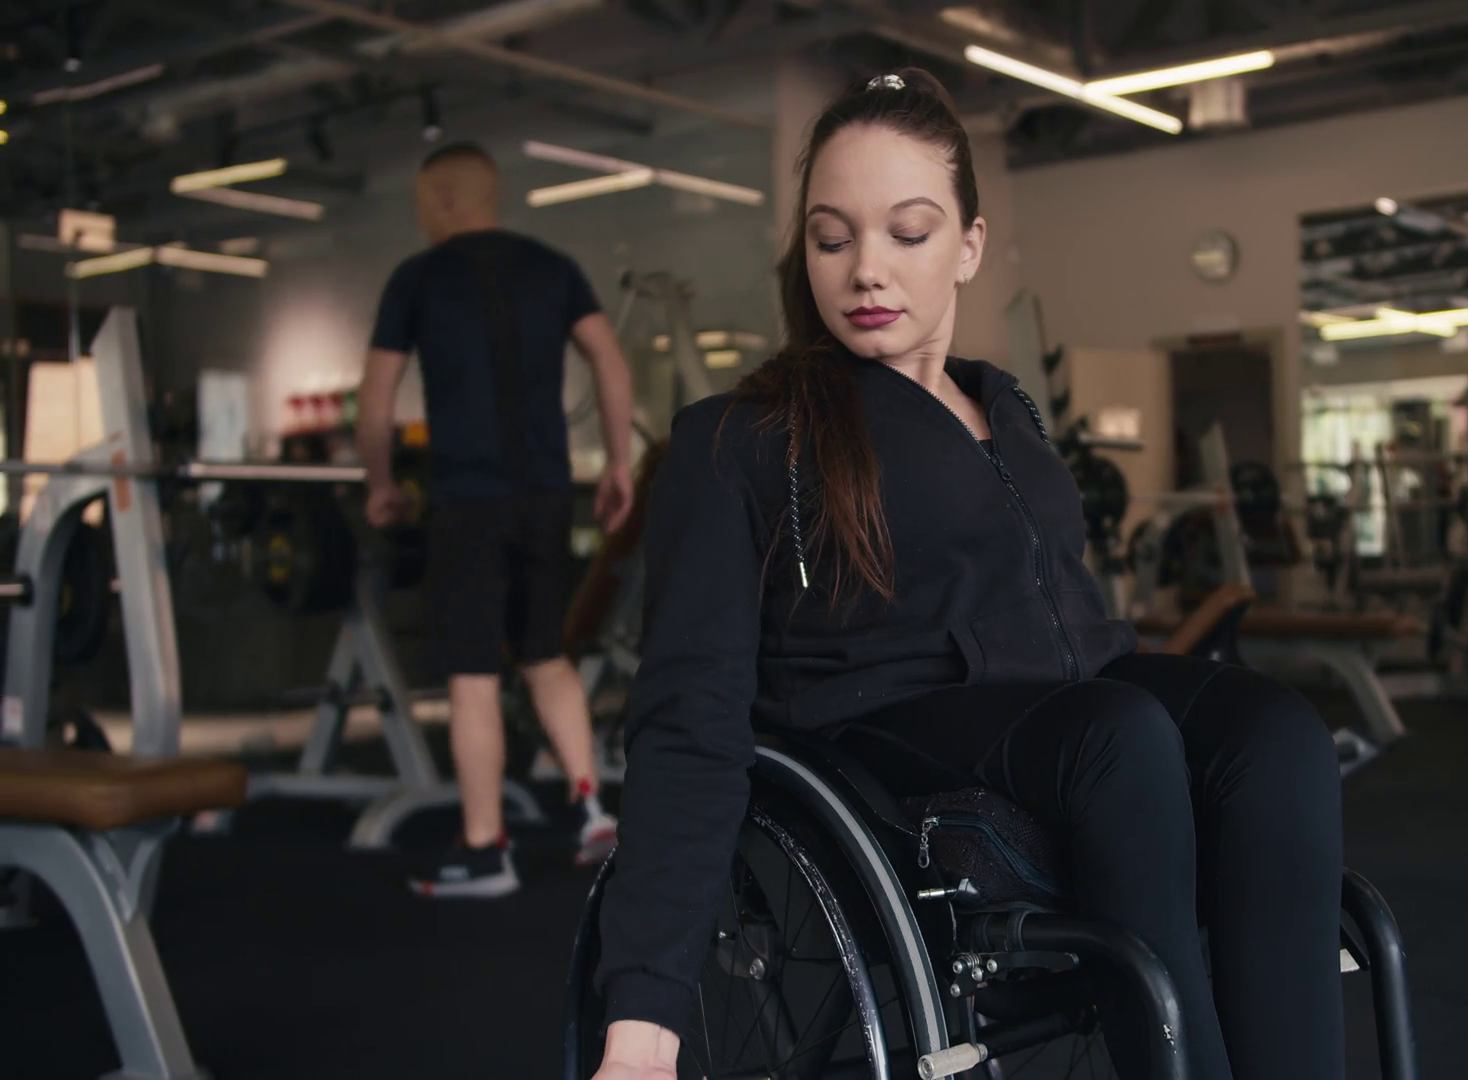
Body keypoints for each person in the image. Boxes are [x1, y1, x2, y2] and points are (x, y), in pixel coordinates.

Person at [592, 72, 1344, 1080]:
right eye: (832, 239)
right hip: (895, 727)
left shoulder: (1008, 413)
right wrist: (642, 1025)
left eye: (908, 232)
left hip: (1073, 708)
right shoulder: (744, 438)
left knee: (1277, 731)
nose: (867, 270)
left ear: (969, 246)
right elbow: (688, 721)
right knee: (1120, 739)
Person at [357, 141, 636, 898]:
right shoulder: (553, 267)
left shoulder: (417, 277)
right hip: (544, 496)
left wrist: (380, 484)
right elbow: (610, 363)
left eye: (422, 201)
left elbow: (376, 399)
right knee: (546, 657)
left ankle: (485, 850)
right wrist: (619, 462)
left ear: (443, 199)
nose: (422, 215)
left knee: (474, 680)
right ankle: (591, 810)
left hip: (467, 502)